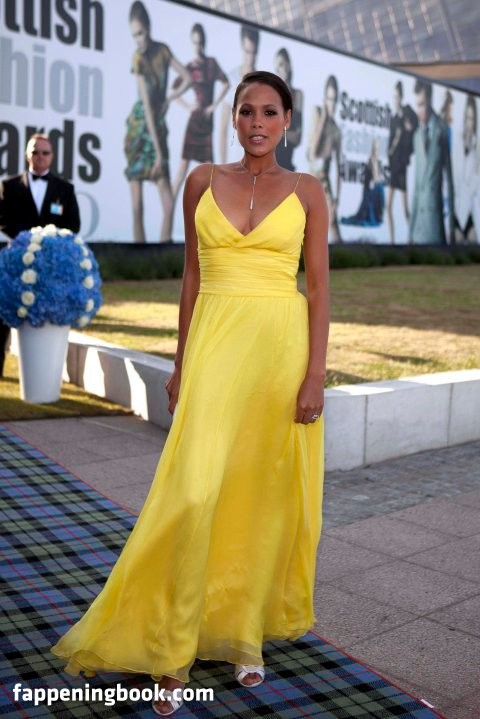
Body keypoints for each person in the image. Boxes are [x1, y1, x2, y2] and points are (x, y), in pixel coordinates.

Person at [50, 70, 329, 717]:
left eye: (269, 112)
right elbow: (191, 279)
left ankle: (243, 632)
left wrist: (315, 373)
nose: (257, 123)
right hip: (214, 349)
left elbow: (318, 286)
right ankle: (171, 644)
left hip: (279, 356)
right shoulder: (201, 180)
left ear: (287, 120)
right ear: (233, 118)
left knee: (259, 494)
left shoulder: (308, 191)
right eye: (246, 111)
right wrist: (180, 363)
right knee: (195, 490)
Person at [0, 132, 80, 378]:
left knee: (47, 315)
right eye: (35, 152)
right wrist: (28, 240)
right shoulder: (9, 186)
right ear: (27, 154)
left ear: (52, 156)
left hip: (50, 267)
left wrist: (47, 241)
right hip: (16, 263)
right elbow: (3, 220)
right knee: (4, 315)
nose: (40, 157)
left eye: (45, 152)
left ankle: (46, 374)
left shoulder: (65, 189)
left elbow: (73, 224)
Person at [124, 1, 191, 243]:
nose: (139, 40)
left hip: (156, 128)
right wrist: (159, 152)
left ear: (149, 28)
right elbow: (148, 111)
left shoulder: (162, 50)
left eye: (141, 33)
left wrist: (169, 99)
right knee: (137, 205)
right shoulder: (137, 58)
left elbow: (187, 77)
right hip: (140, 130)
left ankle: (161, 253)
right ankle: (139, 256)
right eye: (134, 35)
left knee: (168, 203)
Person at [171, 23, 229, 210]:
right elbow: (173, 90)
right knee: (182, 169)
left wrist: (214, 106)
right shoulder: (189, 68)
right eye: (195, 42)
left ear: (205, 42)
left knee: (211, 173)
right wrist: (188, 106)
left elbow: (226, 83)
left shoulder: (212, 63)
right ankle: (169, 208)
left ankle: (215, 214)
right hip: (195, 121)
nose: (199, 46)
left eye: (201, 42)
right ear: (192, 43)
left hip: (207, 123)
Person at [409, 79, 455, 245]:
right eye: (417, 105)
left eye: (422, 104)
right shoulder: (416, 136)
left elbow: (449, 182)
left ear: (429, 100)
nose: (419, 110)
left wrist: (452, 228)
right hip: (417, 229)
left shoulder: (442, 129)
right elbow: (417, 186)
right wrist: (410, 232)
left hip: (434, 223)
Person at [219, 24, 259, 164]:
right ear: (242, 46)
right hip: (233, 162)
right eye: (247, 52)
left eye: (254, 53)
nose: (250, 58)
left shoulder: (264, 84)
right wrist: (222, 168)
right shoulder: (230, 80)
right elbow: (223, 129)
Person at [309, 75, 342, 243]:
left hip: (325, 184)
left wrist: (336, 200)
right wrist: (322, 119)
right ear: (324, 99)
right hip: (310, 180)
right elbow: (313, 153)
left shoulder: (336, 130)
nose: (332, 104)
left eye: (334, 100)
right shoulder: (317, 113)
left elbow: (339, 168)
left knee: (334, 230)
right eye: (329, 99)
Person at [386, 80, 418, 244]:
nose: (395, 100)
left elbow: (415, 126)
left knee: (405, 209)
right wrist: (396, 139)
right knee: (388, 206)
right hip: (394, 167)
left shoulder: (407, 113)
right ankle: (392, 241)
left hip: (402, 167)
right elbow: (389, 150)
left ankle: (412, 240)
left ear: (401, 97)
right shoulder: (393, 120)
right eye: (394, 97)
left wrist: (409, 128)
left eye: (397, 97)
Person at [453, 94, 480, 244]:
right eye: (466, 117)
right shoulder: (457, 141)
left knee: (474, 242)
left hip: (469, 211)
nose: (468, 123)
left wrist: (478, 160)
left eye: (471, 119)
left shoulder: (477, 146)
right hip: (456, 211)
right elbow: (455, 180)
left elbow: (475, 184)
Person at [341, 138, 385, 227]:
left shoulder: (374, 159)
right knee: (378, 188)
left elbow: (375, 176)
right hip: (371, 188)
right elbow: (374, 176)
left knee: (378, 188)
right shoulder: (373, 159)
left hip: (371, 188)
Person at [274, 47, 303, 171]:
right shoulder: (271, 97)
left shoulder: (298, 95)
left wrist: (277, 133)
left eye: (283, 63)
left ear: (289, 65)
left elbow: (297, 138)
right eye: (278, 67)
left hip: (287, 167)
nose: (281, 69)